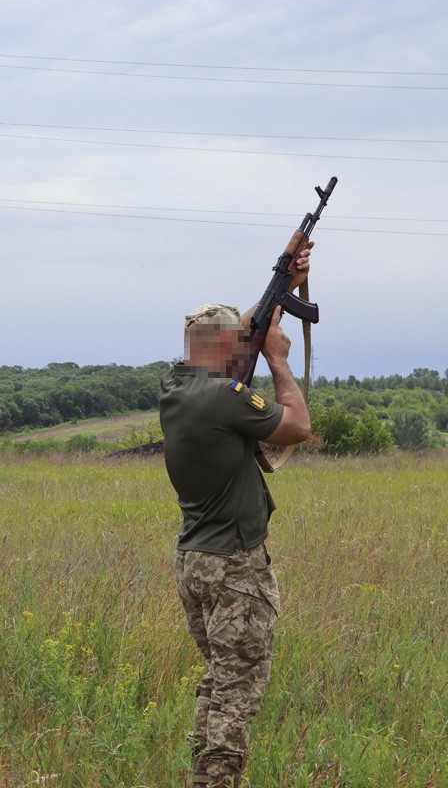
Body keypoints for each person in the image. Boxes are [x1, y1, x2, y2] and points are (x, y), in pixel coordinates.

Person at [159, 243, 314, 787]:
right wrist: (277, 359)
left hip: (194, 561)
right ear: (228, 348)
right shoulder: (228, 397)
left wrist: (283, 283)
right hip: (234, 568)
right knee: (238, 693)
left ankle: (199, 777)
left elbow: (234, 333)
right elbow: (297, 428)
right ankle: (216, 781)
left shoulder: (178, 388)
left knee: (218, 681)